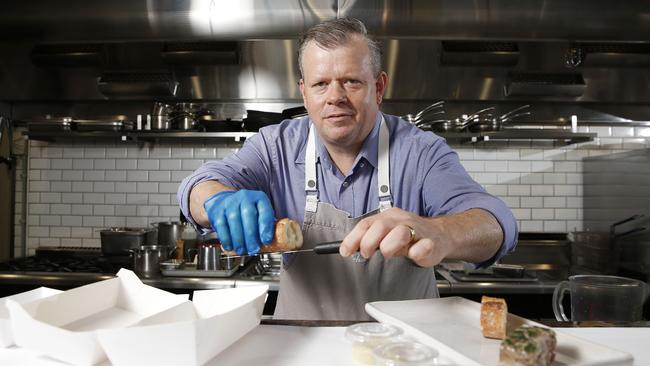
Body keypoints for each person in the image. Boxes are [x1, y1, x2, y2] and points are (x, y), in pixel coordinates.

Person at [178, 18, 518, 320]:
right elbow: (200, 185)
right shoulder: (274, 147)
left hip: (404, 352)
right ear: (304, 92)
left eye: (351, 82)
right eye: (320, 83)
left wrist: (440, 232)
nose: (334, 96)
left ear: (379, 87)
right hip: (304, 345)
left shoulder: (421, 151)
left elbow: (494, 223)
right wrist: (216, 199)